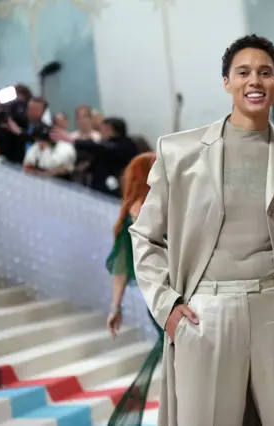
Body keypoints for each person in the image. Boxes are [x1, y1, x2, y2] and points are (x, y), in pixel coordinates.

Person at [129, 34, 274, 426]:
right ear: (226, 82)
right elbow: (146, 235)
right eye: (244, 72)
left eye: (265, 73)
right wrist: (166, 306)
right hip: (206, 311)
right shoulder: (179, 151)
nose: (255, 81)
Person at [104, 152, 162, 426]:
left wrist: (115, 308)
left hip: (155, 297)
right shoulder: (160, 205)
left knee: (175, 358)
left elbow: (121, 271)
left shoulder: (130, 212)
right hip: (175, 293)